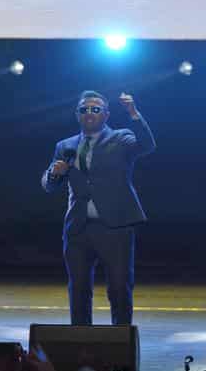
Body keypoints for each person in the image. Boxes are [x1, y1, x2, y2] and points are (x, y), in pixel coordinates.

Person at [41, 90, 156, 325]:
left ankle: (121, 338)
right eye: (84, 109)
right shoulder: (65, 146)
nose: (89, 113)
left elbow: (147, 145)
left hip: (115, 227)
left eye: (95, 109)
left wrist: (133, 113)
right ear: (77, 115)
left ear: (106, 114)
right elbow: (48, 185)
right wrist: (55, 173)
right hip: (78, 228)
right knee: (78, 289)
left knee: (119, 287)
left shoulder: (121, 138)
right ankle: (81, 339)